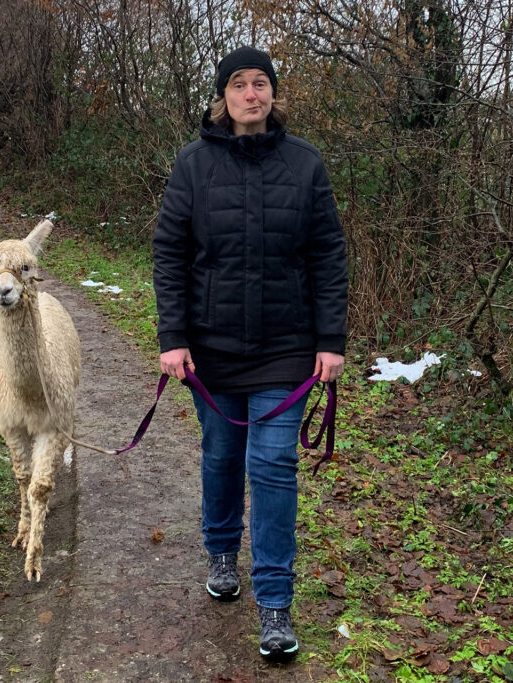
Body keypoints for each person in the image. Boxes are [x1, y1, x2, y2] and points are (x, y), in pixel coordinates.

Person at [152, 46, 348, 661]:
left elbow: (327, 257)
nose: (251, 94)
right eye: (239, 84)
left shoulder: (305, 164)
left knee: (271, 466)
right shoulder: (193, 164)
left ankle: (274, 604)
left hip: (286, 348)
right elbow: (170, 255)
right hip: (209, 348)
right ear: (224, 96)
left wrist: (330, 341)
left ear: (273, 94)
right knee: (220, 455)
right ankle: (219, 547)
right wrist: (173, 337)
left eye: (260, 83)